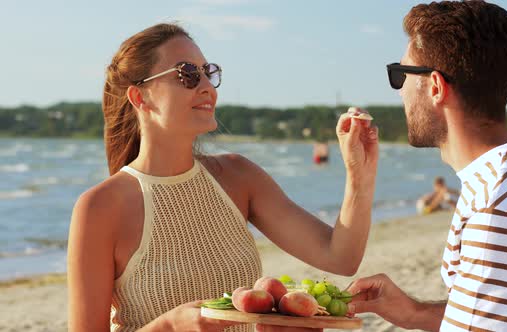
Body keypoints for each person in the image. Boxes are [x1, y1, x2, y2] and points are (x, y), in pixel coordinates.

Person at [67, 23, 379, 332]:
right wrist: (169, 327)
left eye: (209, 73)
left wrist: (359, 174)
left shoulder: (238, 177)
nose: (208, 87)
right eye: (187, 74)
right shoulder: (100, 207)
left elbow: (341, 257)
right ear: (140, 97)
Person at [347, 1, 507, 331]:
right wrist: (415, 312)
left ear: (435, 87)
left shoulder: (498, 209)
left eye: (401, 75)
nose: (400, 92)